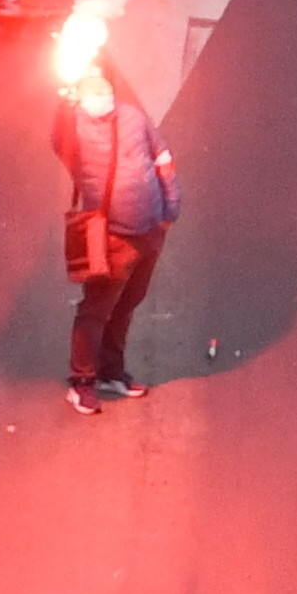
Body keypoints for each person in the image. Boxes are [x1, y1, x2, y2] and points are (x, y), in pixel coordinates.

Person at [55, 70, 180, 416]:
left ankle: (111, 371)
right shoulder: (75, 127)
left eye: (104, 88)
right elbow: (58, 140)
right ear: (81, 98)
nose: (102, 94)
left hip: (150, 232)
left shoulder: (134, 118)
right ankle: (82, 382)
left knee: (127, 303)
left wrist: (170, 210)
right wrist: (64, 106)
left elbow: (163, 159)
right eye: (92, 90)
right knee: (97, 309)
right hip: (112, 237)